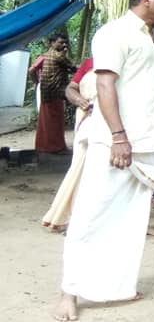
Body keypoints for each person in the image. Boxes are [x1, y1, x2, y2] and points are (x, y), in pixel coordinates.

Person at [53, 0, 154, 322]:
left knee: (130, 221)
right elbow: (105, 87)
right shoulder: (113, 33)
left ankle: (117, 287)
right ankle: (69, 293)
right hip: (114, 141)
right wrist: (120, 137)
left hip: (147, 141)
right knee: (90, 215)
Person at [42, 58, 96, 231]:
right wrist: (81, 101)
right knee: (81, 166)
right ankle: (76, 216)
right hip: (88, 115)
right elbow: (71, 88)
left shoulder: (128, 62)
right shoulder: (90, 63)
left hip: (112, 119)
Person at [32, 32, 74, 154]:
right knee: (56, 121)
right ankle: (57, 147)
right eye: (61, 42)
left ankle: (42, 146)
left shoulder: (44, 56)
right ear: (52, 43)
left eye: (65, 43)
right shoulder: (59, 56)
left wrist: (36, 83)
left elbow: (31, 69)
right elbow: (73, 68)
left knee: (45, 120)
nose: (64, 45)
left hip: (45, 92)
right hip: (56, 93)